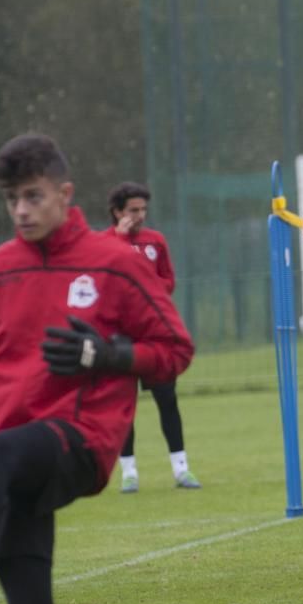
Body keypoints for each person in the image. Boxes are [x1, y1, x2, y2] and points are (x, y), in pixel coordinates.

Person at [0, 134, 194, 604]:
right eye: (12, 198)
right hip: (8, 460)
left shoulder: (113, 263)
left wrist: (109, 355)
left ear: (64, 193)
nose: (20, 209)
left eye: (32, 195)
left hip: (81, 439)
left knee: (4, 451)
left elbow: (175, 350)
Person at [106, 182, 201, 492]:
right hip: (119, 340)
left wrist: (143, 291)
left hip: (155, 338)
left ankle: (181, 470)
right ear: (118, 212)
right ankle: (129, 473)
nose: (140, 215)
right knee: (123, 405)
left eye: (144, 209)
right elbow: (104, 281)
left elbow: (168, 281)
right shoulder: (104, 243)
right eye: (134, 210)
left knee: (167, 400)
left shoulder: (155, 241)